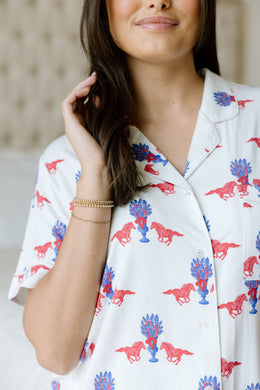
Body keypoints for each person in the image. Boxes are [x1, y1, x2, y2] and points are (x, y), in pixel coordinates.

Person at [8, 0, 260, 389]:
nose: (157, 1)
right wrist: (94, 177)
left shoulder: (255, 123)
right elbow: (55, 353)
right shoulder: (66, 161)